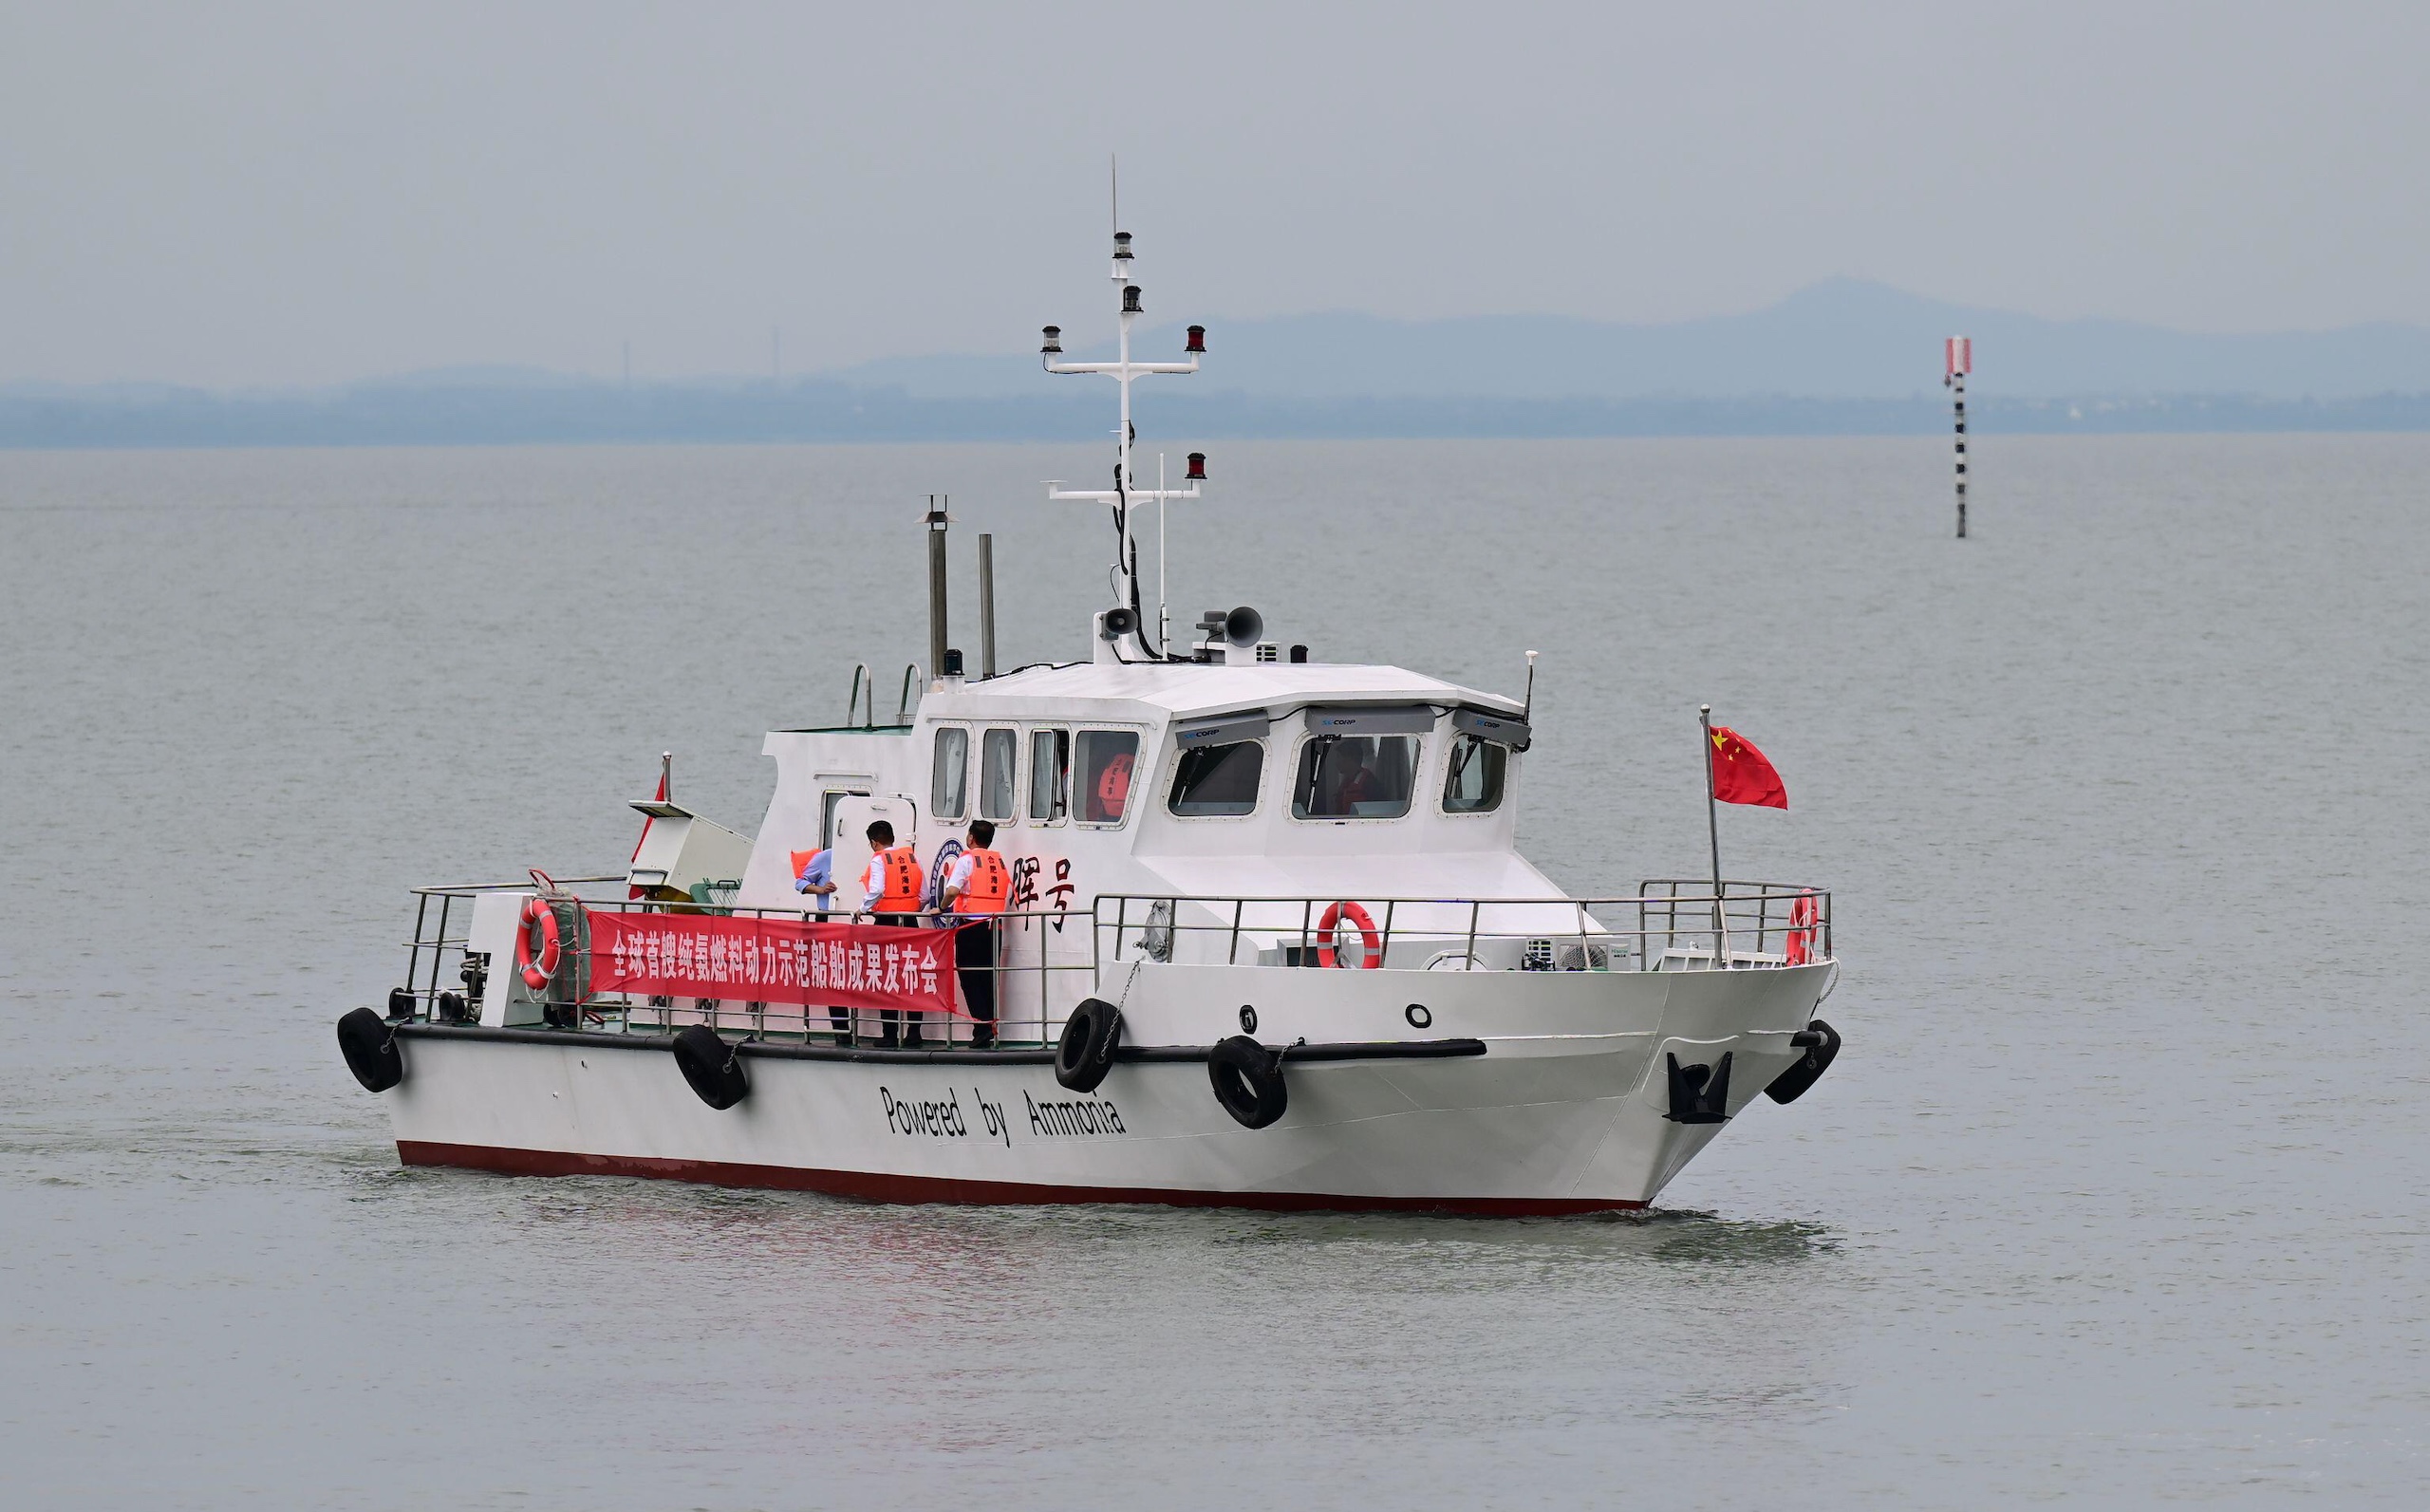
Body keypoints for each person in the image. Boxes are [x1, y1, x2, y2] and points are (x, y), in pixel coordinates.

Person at [939, 819, 1010, 1049]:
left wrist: (941, 907)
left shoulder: (967, 860)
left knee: (969, 976)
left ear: (970, 837)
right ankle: (988, 1025)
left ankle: (981, 1028)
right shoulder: (998, 862)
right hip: (995, 928)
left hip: (972, 927)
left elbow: (952, 891)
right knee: (988, 978)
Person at [854, 819, 925, 1048]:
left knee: (887, 977)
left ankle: (890, 1034)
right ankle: (914, 1033)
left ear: (874, 843)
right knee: (912, 977)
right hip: (911, 923)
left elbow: (877, 889)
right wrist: (912, 909)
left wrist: (863, 909)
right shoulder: (912, 857)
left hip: (887, 922)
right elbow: (923, 895)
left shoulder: (879, 860)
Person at [793, 846, 849, 1041]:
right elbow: (800, 883)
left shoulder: (869, 857)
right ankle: (841, 1030)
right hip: (827, 919)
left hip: (854, 920)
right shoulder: (825, 857)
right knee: (833, 974)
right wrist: (821, 889)